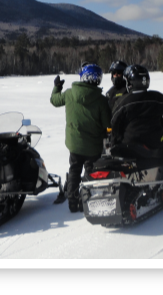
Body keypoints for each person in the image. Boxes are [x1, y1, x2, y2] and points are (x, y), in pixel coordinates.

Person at [50, 63, 111, 212]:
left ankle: (72, 201)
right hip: (93, 146)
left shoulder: (70, 93)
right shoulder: (101, 100)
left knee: (74, 170)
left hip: (74, 144)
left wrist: (57, 87)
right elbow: (107, 124)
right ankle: (89, 200)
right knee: (90, 172)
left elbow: (54, 100)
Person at [109, 64, 163, 150]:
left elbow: (114, 123)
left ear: (130, 82)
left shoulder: (123, 102)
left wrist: (116, 142)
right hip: (156, 140)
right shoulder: (156, 97)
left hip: (130, 142)